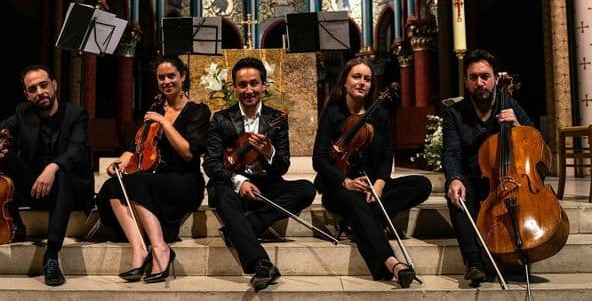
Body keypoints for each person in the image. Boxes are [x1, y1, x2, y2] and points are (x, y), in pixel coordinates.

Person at [312, 58, 432, 288]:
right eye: (356, 77)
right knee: (354, 201)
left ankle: (360, 222)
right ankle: (392, 263)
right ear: (345, 82)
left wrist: (379, 183)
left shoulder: (380, 115)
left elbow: (387, 157)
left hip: (370, 188)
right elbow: (318, 160)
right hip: (339, 189)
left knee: (421, 185)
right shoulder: (333, 113)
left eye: (367, 79)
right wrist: (345, 181)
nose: (362, 83)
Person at [203, 57, 316, 292]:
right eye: (242, 85)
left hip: (265, 182)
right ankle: (261, 263)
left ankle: (244, 227)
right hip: (232, 183)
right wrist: (240, 181)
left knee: (306, 189)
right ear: (234, 88)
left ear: (264, 85)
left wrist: (269, 151)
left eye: (254, 83)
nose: (248, 90)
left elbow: (282, 165)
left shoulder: (276, 119)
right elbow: (211, 164)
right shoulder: (221, 119)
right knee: (223, 194)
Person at [96, 56, 210, 283]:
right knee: (113, 185)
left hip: (185, 181)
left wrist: (166, 123)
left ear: (183, 76)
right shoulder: (156, 108)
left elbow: (189, 153)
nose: (166, 81)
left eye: (171, 76)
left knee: (136, 182)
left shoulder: (198, 111)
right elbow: (137, 147)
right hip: (156, 179)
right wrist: (120, 161)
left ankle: (160, 248)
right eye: (161, 77)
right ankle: (139, 249)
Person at [0, 64, 93, 286]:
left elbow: (77, 149)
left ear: (54, 85)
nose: (40, 92)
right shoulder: (23, 112)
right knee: (3, 155)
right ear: (27, 94)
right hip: (36, 188)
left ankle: (51, 255)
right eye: (33, 89)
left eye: (44, 85)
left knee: (61, 174)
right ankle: (14, 224)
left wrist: (53, 168)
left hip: (70, 190)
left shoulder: (76, 114)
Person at [443, 49, 534, 283]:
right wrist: (454, 178)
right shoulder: (455, 113)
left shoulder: (510, 105)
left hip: (508, 179)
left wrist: (517, 125)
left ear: (495, 79)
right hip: (471, 179)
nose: (480, 82)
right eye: (473, 78)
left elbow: (536, 142)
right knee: (456, 195)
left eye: (485, 76)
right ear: (466, 81)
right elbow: (451, 152)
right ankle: (474, 262)